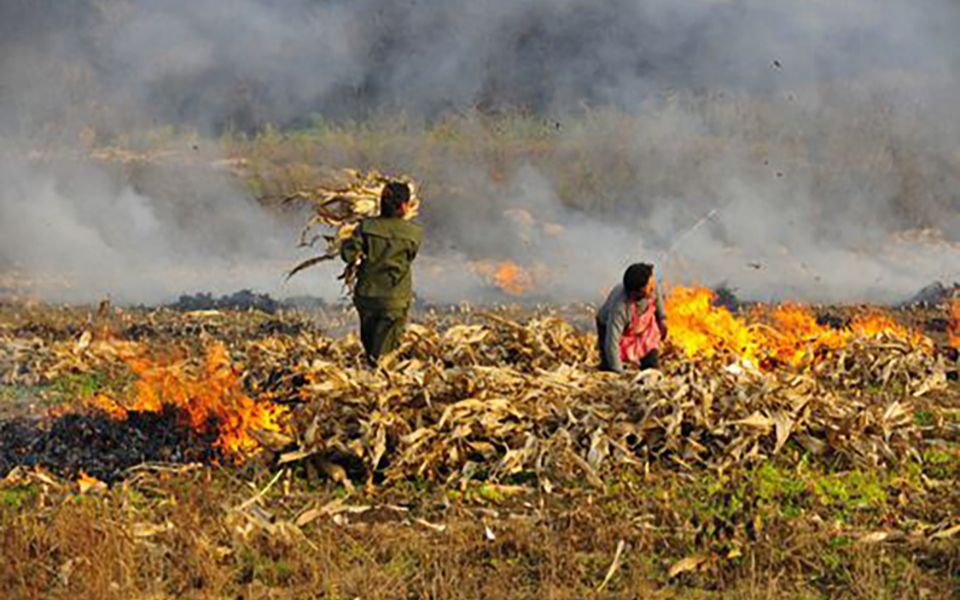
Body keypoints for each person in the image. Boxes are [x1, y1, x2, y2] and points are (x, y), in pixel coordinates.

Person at [340, 181, 423, 366]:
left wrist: (344, 239)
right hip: (394, 299)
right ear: (404, 206)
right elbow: (410, 256)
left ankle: (371, 381)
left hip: (367, 297)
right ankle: (378, 385)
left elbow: (348, 256)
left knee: (371, 350)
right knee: (385, 358)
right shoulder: (414, 233)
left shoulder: (365, 227)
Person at [596, 263, 668, 373]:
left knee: (651, 357)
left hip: (641, 329)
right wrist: (618, 372)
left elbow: (658, 300)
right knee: (610, 363)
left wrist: (662, 319)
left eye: (652, 282)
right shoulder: (620, 308)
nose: (653, 286)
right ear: (637, 292)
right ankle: (610, 367)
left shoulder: (652, 288)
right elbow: (612, 341)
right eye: (649, 286)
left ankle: (649, 367)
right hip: (611, 327)